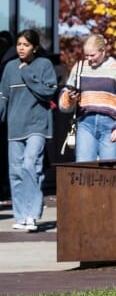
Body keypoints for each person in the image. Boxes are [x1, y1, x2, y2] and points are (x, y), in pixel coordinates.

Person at [0, 29, 57, 232]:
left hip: (37, 126)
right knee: (15, 172)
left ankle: (32, 215)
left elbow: (49, 91)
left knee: (30, 166)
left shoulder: (44, 65)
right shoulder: (9, 68)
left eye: (25, 45)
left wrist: (27, 74)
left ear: (34, 47)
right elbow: (3, 98)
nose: (21, 48)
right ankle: (21, 215)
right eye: (19, 45)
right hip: (14, 128)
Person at [57, 34, 116, 162]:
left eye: (92, 55)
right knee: (84, 167)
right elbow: (64, 100)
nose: (89, 59)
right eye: (86, 55)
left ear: (103, 51)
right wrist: (70, 97)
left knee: (109, 170)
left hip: (111, 124)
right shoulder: (80, 67)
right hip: (86, 123)